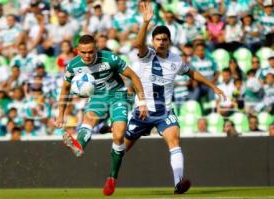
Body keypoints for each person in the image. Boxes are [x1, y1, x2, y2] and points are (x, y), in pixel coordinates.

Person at [124, 2, 226, 195]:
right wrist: (145, 23)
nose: (161, 42)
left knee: (174, 141)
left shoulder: (176, 60)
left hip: (164, 113)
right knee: (122, 149)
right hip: (142, 112)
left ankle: (179, 183)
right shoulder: (146, 56)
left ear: (169, 41)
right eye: (157, 39)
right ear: (153, 41)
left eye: (164, 39)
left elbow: (192, 73)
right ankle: (111, 166)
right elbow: (138, 44)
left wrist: (213, 86)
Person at [55, 34, 147, 196]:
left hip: (118, 95)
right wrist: (60, 114)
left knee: (118, 136)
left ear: (96, 48)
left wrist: (142, 102)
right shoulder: (73, 66)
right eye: (83, 52)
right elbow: (65, 89)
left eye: (90, 51)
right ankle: (79, 145)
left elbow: (133, 76)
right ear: (78, 51)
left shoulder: (110, 58)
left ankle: (112, 177)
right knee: (89, 118)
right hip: (97, 97)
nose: (87, 55)